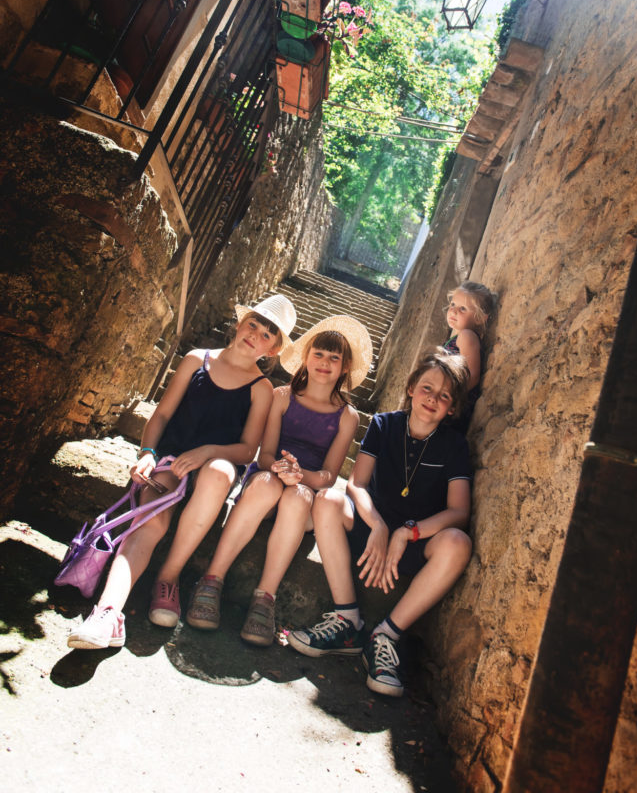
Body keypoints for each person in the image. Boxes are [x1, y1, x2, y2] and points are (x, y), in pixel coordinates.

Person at [67, 294, 296, 651]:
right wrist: (147, 453)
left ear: (274, 350)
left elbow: (246, 450)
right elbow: (160, 415)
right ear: (239, 324)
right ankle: (108, 614)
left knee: (220, 471)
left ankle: (168, 578)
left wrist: (207, 451)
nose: (256, 334)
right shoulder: (196, 360)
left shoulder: (261, 389)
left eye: (268, 334)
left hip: (215, 468)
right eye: (254, 323)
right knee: (152, 522)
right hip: (171, 460)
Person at [287, 350, 472, 699]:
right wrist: (380, 526)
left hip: (415, 544)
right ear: (412, 387)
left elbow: (458, 511)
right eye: (427, 388)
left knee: (458, 542)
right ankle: (347, 621)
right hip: (368, 533)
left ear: (452, 407)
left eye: (444, 395)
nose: (432, 399)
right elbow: (355, 484)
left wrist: (407, 532)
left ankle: (385, 635)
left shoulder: (454, 445)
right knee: (327, 500)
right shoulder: (384, 424)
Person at [185, 315, 373, 646]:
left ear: (345, 368)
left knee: (298, 495)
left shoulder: (348, 416)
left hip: (305, 492)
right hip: (268, 480)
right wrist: (280, 471)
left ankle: (265, 599)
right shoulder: (282, 396)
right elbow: (265, 454)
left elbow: (330, 475)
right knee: (270, 485)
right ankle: (212, 579)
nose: (324, 363)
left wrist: (301, 477)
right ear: (306, 356)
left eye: (334, 358)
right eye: (318, 354)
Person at [443, 280, 496, 428]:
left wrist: (448, 399)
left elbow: (472, 376)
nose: (453, 311)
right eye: (453, 305)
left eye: (462, 309)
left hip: (452, 407)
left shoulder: (467, 336)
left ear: (479, 318)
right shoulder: (459, 337)